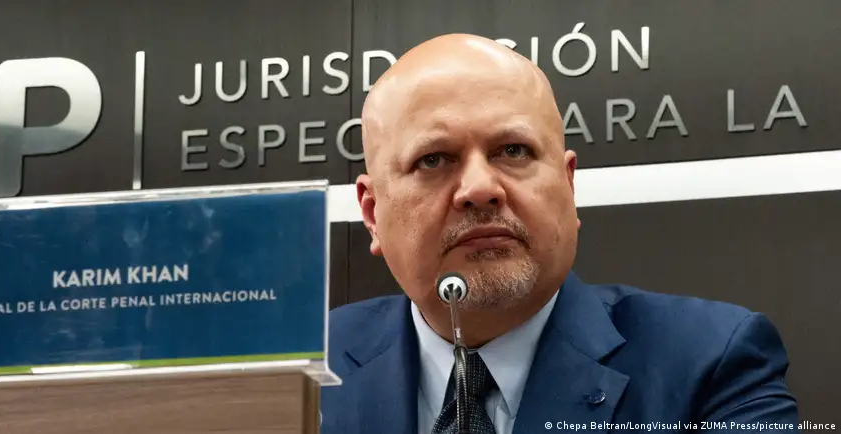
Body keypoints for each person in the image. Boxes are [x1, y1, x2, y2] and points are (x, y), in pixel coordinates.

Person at [319, 34, 799, 433]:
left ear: (568, 186)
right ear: (372, 212)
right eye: (433, 159)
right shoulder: (305, 368)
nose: (480, 188)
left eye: (513, 150)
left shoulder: (711, 364)